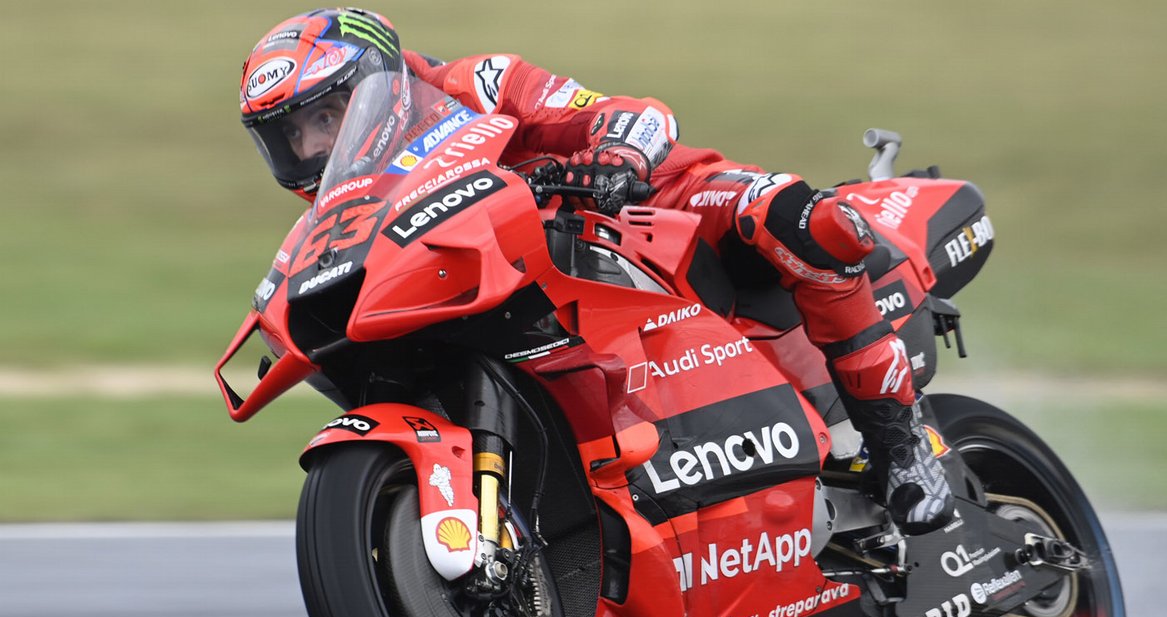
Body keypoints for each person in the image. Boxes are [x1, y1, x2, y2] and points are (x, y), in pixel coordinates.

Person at [238, 7, 954, 535]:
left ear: (374, 84)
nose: (311, 146)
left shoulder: (477, 85)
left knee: (796, 216)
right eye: (289, 136)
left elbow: (634, 115)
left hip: (650, 206)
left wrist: (615, 157)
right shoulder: (346, 211)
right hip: (536, 289)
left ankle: (901, 443)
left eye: (324, 117)